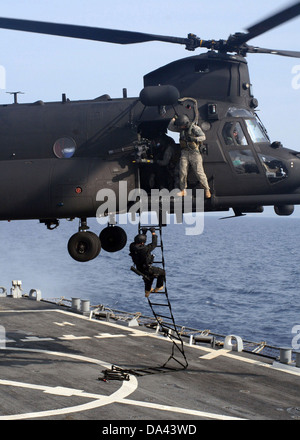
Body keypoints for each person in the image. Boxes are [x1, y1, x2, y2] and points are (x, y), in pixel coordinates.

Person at [168, 115, 211, 198]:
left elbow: (203, 137)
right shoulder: (181, 129)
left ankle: (207, 189)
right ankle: (183, 190)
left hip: (194, 152)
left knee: (199, 172)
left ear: (185, 124)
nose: (180, 127)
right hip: (184, 152)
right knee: (182, 172)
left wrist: (194, 139)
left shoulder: (195, 128)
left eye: (181, 125)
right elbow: (171, 128)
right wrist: (173, 120)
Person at [129, 228, 165, 297]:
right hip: (146, 269)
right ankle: (159, 287)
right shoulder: (145, 249)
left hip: (139, 268)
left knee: (149, 277)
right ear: (142, 243)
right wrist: (153, 233)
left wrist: (144, 233)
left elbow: (140, 242)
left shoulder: (132, 246)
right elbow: (154, 244)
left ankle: (147, 291)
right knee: (162, 272)